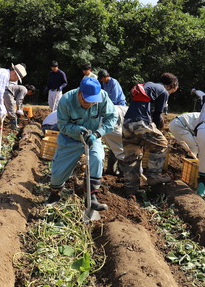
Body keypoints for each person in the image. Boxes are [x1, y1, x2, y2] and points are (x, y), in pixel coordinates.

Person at [46, 77, 117, 211]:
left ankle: (91, 196)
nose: (89, 104)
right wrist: (76, 130)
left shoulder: (102, 96)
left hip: (92, 137)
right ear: (80, 93)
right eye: (86, 100)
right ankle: (55, 194)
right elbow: (62, 125)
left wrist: (98, 134)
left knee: (97, 159)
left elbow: (112, 117)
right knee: (57, 174)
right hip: (70, 138)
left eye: (92, 101)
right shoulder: (66, 100)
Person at [121, 73, 179, 195]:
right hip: (140, 122)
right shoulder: (163, 91)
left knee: (132, 156)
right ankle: (153, 176)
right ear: (172, 85)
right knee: (162, 144)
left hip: (127, 122)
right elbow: (158, 115)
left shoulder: (149, 85)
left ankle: (131, 189)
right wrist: (158, 131)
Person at [97, 69, 128, 175]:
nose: (101, 81)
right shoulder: (105, 84)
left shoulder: (113, 82)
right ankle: (112, 170)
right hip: (110, 111)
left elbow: (113, 99)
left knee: (117, 144)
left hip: (118, 108)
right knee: (114, 144)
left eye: (101, 78)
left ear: (106, 76)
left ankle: (121, 170)